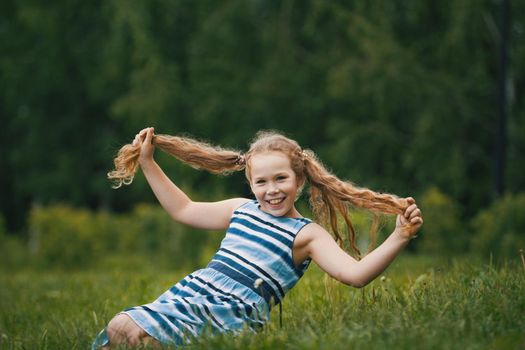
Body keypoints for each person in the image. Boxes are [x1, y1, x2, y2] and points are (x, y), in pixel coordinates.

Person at [92, 128, 423, 349]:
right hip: (196, 294)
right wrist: (148, 162)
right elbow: (184, 210)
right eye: (261, 182)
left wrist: (399, 236)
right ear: (251, 184)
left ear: (300, 181)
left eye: (281, 179)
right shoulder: (242, 209)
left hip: (231, 312)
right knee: (119, 332)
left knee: (129, 330)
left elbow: (356, 275)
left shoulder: (306, 234)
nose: (272, 190)